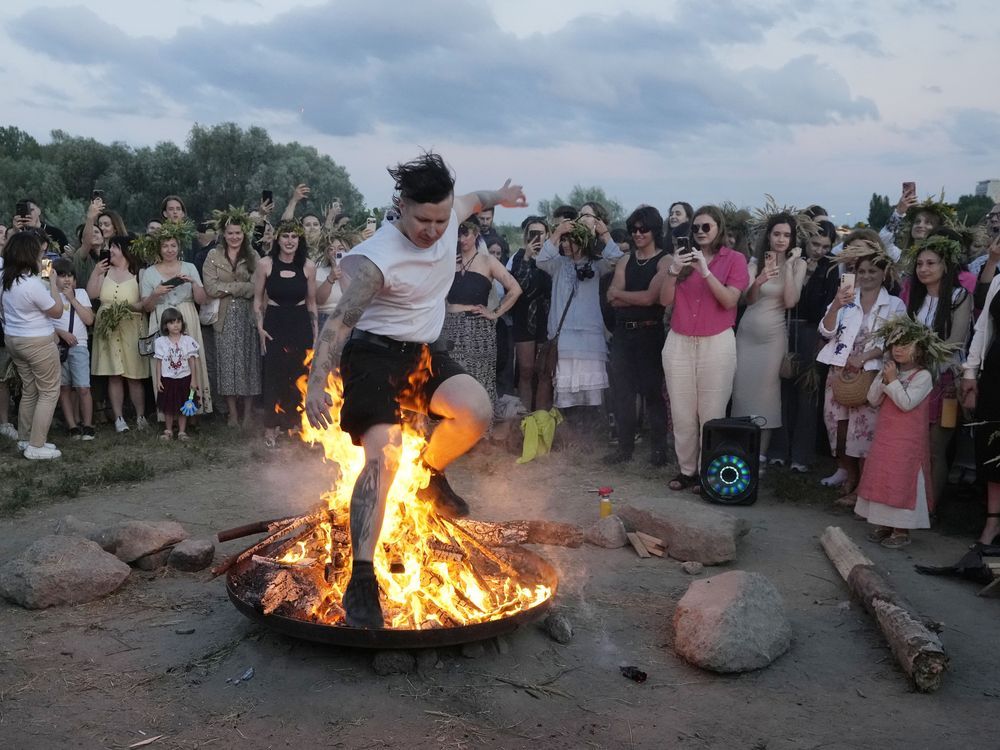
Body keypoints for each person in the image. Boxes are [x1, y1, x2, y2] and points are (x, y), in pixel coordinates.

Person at [304, 152, 526, 629]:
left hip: (422, 351)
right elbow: (339, 324)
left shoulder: (450, 216)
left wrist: (502, 198)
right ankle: (361, 576)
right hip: (372, 356)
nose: (432, 230)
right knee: (384, 455)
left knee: (476, 410)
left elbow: (479, 199)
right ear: (400, 206)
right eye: (422, 219)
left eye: (441, 219)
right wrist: (317, 383)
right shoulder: (374, 261)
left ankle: (428, 475)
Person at [659, 205, 750, 492]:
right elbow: (664, 301)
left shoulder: (734, 260)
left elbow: (729, 301)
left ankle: (708, 472)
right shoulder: (681, 259)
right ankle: (687, 471)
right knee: (682, 411)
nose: (699, 232)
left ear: (718, 229)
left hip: (717, 341)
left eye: (706, 227)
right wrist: (674, 270)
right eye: (695, 228)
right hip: (680, 340)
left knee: (712, 412)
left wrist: (706, 271)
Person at [816, 232, 905, 503]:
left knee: (864, 431)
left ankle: (863, 488)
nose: (866, 276)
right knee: (838, 427)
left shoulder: (895, 304)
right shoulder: (846, 298)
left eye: (872, 271)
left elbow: (896, 339)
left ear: (883, 272)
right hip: (840, 370)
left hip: (871, 372)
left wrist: (866, 356)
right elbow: (826, 330)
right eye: (861, 270)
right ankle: (850, 475)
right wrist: (835, 305)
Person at [855, 316, 953, 549]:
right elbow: (872, 399)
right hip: (886, 438)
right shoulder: (889, 370)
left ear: (920, 349)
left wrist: (892, 381)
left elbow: (906, 403)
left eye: (906, 345)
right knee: (883, 475)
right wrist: (884, 379)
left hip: (907, 442)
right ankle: (883, 522)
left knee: (902, 479)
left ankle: (901, 528)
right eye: (896, 344)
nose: (899, 349)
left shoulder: (923, 376)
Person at [901, 231, 972, 507]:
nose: (924, 269)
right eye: (920, 264)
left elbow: (955, 341)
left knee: (934, 448)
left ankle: (928, 508)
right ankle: (907, 503)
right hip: (913, 378)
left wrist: (925, 366)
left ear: (945, 266)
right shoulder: (917, 299)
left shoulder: (958, 296)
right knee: (912, 446)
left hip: (944, 380)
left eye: (931, 263)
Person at [732, 212, 807, 465]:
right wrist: (760, 279)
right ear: (769, 235)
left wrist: (787, 266)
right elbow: (747, 299)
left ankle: (761, 455)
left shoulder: (798, 264)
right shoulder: (754, 264)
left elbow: (790, 301)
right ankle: (742, 449)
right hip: (746, 335)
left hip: (773, 338)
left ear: (793, 238)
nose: (781, 239)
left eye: (787, 235)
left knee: (766, 395)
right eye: (777, 234)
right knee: (741, 393)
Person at [768, 220, 840, 471]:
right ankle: (777, 449)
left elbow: (825, 305)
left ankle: (801, 456)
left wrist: (822, 342)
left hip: (812, 331)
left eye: (825, 246)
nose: (819, 250)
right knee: (781, 390)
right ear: (805, 240)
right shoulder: (791, 261)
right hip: (784, 327)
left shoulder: (831, 269)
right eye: (815, 244)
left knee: (807, 395)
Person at [535, 216, 623, 419]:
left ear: (582, 242)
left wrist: (604, 234)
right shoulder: (557, 264)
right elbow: (540, 261)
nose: (565, 245)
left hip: (589, 338)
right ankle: (568, 433)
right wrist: (557, 233)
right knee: (564, 388)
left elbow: (617, 259)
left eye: (570, 240)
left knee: (589, 391)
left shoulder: (596, 265)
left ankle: (589, 434)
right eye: (564, 240)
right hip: (563, 337)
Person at [604, 205, 672, 466]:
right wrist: (628, 297)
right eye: (633, 229)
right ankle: (624, 448)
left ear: (654, 230)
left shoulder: (665, 260)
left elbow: (650, 299)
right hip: (623, 334)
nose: (637, 233)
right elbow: (612, 297)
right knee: (623, 393)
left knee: (653, 394)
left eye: (643, 229)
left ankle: (659, 450)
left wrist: (624, 296)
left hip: (650, 333)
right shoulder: (625, 259)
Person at [442, 221, 521, 408]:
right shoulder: (447, 262)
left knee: (478, 382)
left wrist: (495, 313)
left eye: (466, 234)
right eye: (458, 235)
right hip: (448, 328)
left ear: (476, 233)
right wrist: (444, 270)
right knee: (449, 383)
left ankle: (481, 432)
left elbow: (515, 289)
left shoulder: (487, 261)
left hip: (478, 331)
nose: (462, 239)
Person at [255, 220, 318, 447]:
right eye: (285, 236)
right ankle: (270, 428)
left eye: (294, 236)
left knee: (298, 373)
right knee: (273, 374)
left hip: (300, 322)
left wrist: (316, 334)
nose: (290, 240)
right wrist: (260, 327)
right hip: (274, 322)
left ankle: (293, 424)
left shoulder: (308, 266)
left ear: (299, 240)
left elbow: (312, 303)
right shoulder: (265, 264)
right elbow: (257, 301)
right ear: (277, 239)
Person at [139, 222, 213, 419]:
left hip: (186, 316)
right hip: (161, 318)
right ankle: (168, 412)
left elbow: (201, 299)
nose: (169, 250)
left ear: (178, 247)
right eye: (165, 246)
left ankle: (193, 409)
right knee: (166, 364)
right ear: (159, 248)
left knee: (190, 361)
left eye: (173, 245)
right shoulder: (150, 273)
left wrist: (193, 283)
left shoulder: (189, 267)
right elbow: (146, 307)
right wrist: (155, 294)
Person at [1, 231, 64, 459]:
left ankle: (25, 439)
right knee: (48, 391)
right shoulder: (31, 284)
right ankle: (37, 445)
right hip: (37, 342)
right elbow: (56, 311)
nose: (42, 256)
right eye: (39, 253)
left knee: (30, 389)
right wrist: (54, 284)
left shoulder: (5, 279)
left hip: (14, 340)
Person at [202, 209, 261, 428]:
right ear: (223, 234)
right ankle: (232, 413)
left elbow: (257, 287)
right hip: (223, 315)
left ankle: (247, 414)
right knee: (226, 364)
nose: (234, 237)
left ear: (244, 234)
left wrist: (227, 288)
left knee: (249, 363)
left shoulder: (253, 255)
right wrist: (240, 288)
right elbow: (210, 288)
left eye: (238, 233)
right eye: (230, 233)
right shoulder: (213, 256)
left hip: (249, 316)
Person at [87, 235, 149, 433]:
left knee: (134, 375)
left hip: (131, 326)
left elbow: (144, 304)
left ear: (125, 250)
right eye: (110, 247)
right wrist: (96, 273)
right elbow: (91, 294)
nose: (110, 250)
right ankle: (119, 418)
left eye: (114, 247)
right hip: (107, 327)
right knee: (114, 374)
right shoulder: (104, 270)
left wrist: (126, 308)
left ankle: (140, 416)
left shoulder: (139, 273)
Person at [961, 259, 1000, 546]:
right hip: (996, 374)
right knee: (992, 446)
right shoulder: (999, 280)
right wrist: (970, 371)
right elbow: (984, 327)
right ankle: (992, 522)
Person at [508, 217, 553, 411]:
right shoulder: (519, 256)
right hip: (524, 317)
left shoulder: (554, 257)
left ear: (548, 235)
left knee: (544, 371)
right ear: (526, 236)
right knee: (525, 371)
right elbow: (519, 286)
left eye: (540, 233)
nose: (536, 237)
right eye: (532, 233)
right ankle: (525, 418)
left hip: (547, 317)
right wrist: (527, 257)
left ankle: (543, 418)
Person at [51, 259, 96, 440]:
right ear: (54, 278)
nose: (67, 280)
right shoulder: (49, 295)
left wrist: (71, 298)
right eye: (62, 276)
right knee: (64, 387)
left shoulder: (81, 293)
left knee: (83, 387)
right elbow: (45, 322)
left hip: (79, 345)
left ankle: (87, 424)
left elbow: (89, 320)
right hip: (58, 346)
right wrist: (62, 334)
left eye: (70, 275)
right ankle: (72, 426)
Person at [153, 307, 200, 441]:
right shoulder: (161, 342)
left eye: (178, 321)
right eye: (172, 322)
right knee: (168, 406)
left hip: (184, 378)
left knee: (184, 405)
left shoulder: (187, 340)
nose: (176, 325)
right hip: (167, 379)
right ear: (165, 325)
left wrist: (194, 380)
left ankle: (182, 431)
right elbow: (158, 362)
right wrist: (158, 380)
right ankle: (168, 430)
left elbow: (192, 361)